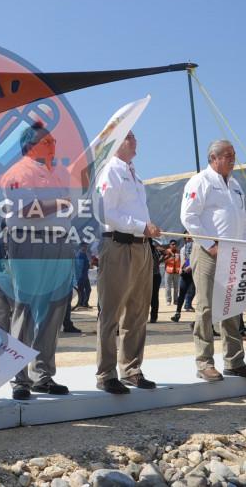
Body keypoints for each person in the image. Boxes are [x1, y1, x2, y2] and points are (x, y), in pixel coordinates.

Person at [1, 123, 74, 400]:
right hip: (29, 240)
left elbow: (68, 206)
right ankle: (19, 378)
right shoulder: (18, 172)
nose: (53, 143)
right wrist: (61, 202)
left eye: (53, 140)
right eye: (47, 141)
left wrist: (63, 204)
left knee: (54, 308)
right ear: (31, 145)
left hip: (59, 240)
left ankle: (43, 374)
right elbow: (26, 209)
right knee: (27, 307)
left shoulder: (58, 172)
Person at [180, 139, 246, 382]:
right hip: (209, 253)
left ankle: (234, 361)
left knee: (232, 307)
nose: (232, 158)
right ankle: (204, 362)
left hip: (235, 254)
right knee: (205, 308)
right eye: (228, 155)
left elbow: (243, 221)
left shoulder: (236, 185)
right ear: (214, 158)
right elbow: (188, 217)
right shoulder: (200, 181)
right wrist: (210, 245)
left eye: (233, 154)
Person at [93, 130, 161, 394]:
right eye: (129, 136)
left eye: (135, 136)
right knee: (110, 312)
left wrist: (147, 228)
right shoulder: (110, 170)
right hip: (119, 245)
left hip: (141, 247)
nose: (134, 140)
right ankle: (106, 373)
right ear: (116, 142)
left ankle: (131, 368)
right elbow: (106, 212)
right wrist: (141, 225)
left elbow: (134, 210)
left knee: (137, 311)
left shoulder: (134, 173)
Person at [171, 234, 195, 322]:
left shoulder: (197, 246)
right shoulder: (183, 248)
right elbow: (183, 260)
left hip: (195, 272)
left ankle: (202, 319)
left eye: (189, 238)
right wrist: (181, 268)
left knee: (196, 293)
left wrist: (191, 267)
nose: (188, 239)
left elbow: (197, 258)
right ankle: (177, 313)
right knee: (182, 293)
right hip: (186, 273)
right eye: (186, 238)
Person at [149, 240, 164, 324]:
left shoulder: (154, 249)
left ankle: (153, 317)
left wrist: (159, 261)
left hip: (153, 275)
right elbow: (166, 253)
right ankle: (153, 317)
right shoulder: (154, 249)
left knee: (153, 297)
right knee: (153, 297)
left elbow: (166, 252)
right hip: (153, 275)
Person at [163, 240, 181, 305]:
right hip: (168, 271)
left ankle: (176, 301)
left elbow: (182, 260)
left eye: (175, 244)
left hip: (176, 271)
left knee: (176, 288)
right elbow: (163, 260)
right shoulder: (167, 251)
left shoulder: (179, 252)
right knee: (168, 287)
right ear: (170, 245)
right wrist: (170, 257)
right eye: (172, 244)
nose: (174, 245)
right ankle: (168, 300)